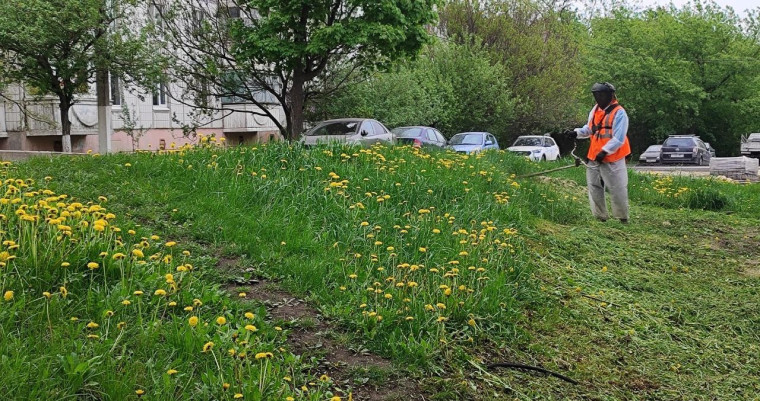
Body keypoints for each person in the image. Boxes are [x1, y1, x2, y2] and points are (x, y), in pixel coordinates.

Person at [565, 82, 631, 223]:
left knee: (617, 188)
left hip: (614, 157)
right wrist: (575, 133)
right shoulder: (595, 110)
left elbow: (619, 138)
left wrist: (605, 151)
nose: (598, 98)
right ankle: (600, 216)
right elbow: (589, 129)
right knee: (594, 186)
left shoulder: (619, 113)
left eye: (601, 95)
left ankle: (622, 218)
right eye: (596, 95)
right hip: (594, 156)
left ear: (611, 95)